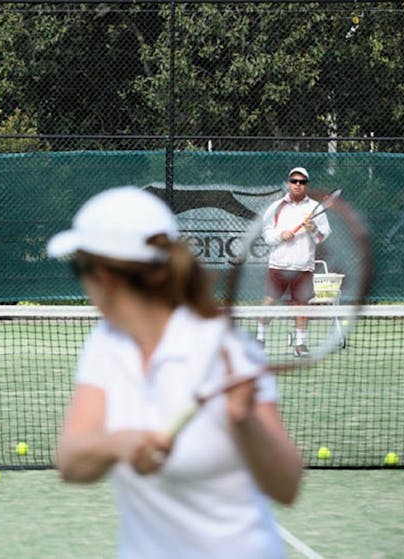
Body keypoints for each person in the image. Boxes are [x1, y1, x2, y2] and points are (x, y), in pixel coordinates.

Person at [48, 187, 302, 559]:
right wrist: (121, 444)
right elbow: (70, 460)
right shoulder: (104, 343)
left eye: (79, 269)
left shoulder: (228, 350)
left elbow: (287, 486)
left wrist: (245, 420)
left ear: (107, 278)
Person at [256, 167, 331, 357]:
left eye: (302, 181)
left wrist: (313, 228)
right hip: (279, 264)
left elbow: (323, 237)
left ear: (307, 185)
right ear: (289, 183)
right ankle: (259, 338)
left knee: (301, 305)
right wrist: (281, 235)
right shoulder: (275, 207)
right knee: (270, 301)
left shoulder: (316, 208)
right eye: (294, 181)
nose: (298, 184)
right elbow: (266, 234)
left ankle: (300, 344)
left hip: (304, 265)